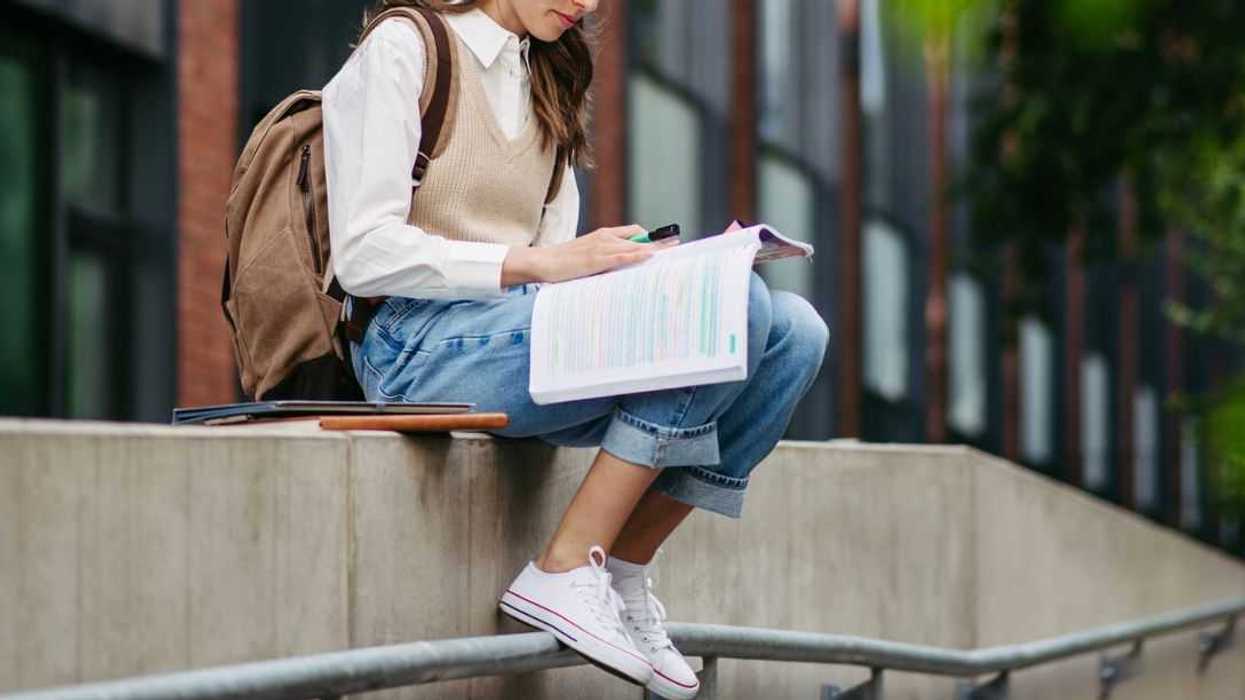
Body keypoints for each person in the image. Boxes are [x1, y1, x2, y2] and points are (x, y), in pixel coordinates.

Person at [322, 1, 829, 697]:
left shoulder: (549, 71)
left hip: (512, 334)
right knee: (725, 312)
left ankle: (620, 567)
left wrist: (625, 269)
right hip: (412, 345)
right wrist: (544, 265)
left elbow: (555, 265)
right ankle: (563, 566)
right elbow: (362, 253)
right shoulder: (404, 48)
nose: (587, 3)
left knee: (794, 333)